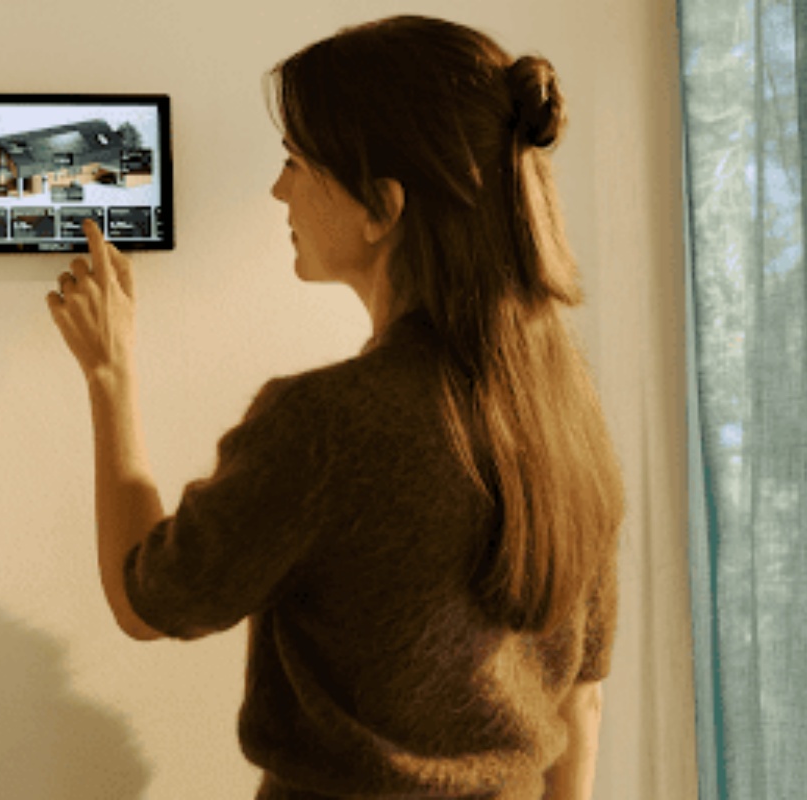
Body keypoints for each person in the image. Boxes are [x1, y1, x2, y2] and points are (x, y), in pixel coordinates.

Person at [45, 15, 624, 800]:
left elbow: (148, 599)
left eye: (295, 161)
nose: (279, 189)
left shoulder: (327, 427)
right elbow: (582, 702)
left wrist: (108, 373)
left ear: (382, 206)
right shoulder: (568, 417)